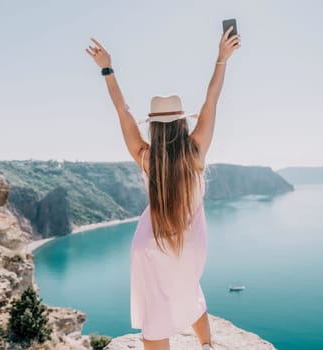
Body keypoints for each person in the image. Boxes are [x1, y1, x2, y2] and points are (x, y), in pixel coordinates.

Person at [85, 26, 240, 350]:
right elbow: (212, 98)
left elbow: (123, 111)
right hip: (189, 244)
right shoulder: (195, 152)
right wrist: (221, 58)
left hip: (151, 243)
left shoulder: (147, 158)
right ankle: (207, 345)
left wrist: (107, 68)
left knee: (155, 313)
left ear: (153, 125)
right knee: (188, 290)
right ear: (183, 122)